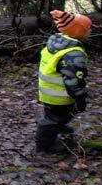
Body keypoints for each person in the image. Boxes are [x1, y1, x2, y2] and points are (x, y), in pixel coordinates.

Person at [35, 10, 92, 153]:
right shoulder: (72, 53)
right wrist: (80, 95)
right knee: (52, 119)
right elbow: (74, 78)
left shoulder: (58, 41)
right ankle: (44, 144)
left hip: (49, 90)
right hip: (59, 95)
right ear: (78, 30)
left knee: (59, 115)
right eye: (88, 28)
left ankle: (59, 126)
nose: (90, 31)